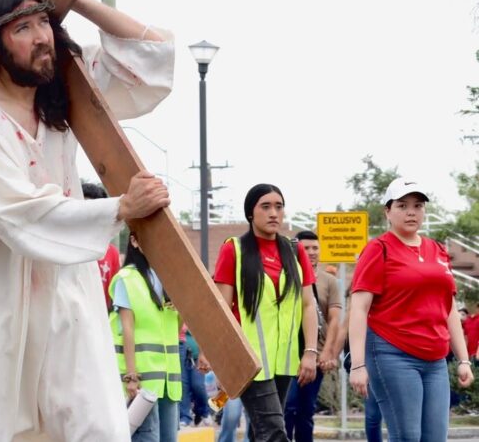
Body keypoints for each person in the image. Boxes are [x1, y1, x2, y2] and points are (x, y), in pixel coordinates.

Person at [0, 0, 175, 441]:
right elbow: (21, 215)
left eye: (44, 22)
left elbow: (153, 59)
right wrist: (121, 208)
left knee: (97, 428)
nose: (41, 37)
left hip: (64, 296)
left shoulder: (62, 100)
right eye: (23, 28)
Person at [348, 177, 473, 442]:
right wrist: (358, 364)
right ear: (388, 211)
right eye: (402, 205)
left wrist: (463, 359)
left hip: (436, 358)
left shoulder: (437, 250)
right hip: (392, 353)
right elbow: (359, 308)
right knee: (407, 436)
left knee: (435, 437)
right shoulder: (377, 249)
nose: (411, 212)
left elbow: (448, 308)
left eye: (418, 205)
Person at [199, 184, 318, 442]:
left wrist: (309, 351)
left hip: (285, 360)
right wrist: (220, 361)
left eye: (279, 206)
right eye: (266, 206)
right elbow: (222, 309)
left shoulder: (295, 251)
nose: (274, 213)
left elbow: (308, 305)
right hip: (249, 361)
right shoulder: (235, 250)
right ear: (251, 213)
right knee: (275, 431)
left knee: (260, 431)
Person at [110, 233, 182, 442]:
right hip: (142, 382)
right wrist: (131, 376)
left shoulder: (170, 279)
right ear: (134, 241)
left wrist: (182, 310)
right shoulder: (127, 278)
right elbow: (127, 329)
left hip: (169, 381)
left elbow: (174, 329)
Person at [284, 230, 343, 442]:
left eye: (314, 248)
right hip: (288, 353)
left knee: (306, 411)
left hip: (316, 355)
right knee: (287, 407)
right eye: (305, 248)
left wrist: (328, 352)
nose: (311, 252)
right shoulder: (286, 276)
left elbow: (335, 318)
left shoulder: (329, 281)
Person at [82, 181, 123, 308]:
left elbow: (112, 296)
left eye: (94, 212)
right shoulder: (64, 248)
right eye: (83, 210)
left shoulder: (111, 253)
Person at [177, 326, 209, 426]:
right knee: (183, 385)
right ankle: (185, 416)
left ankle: (203, 411)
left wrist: (203, 354)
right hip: (181, 349)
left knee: (198, 385)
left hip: (197, 354)